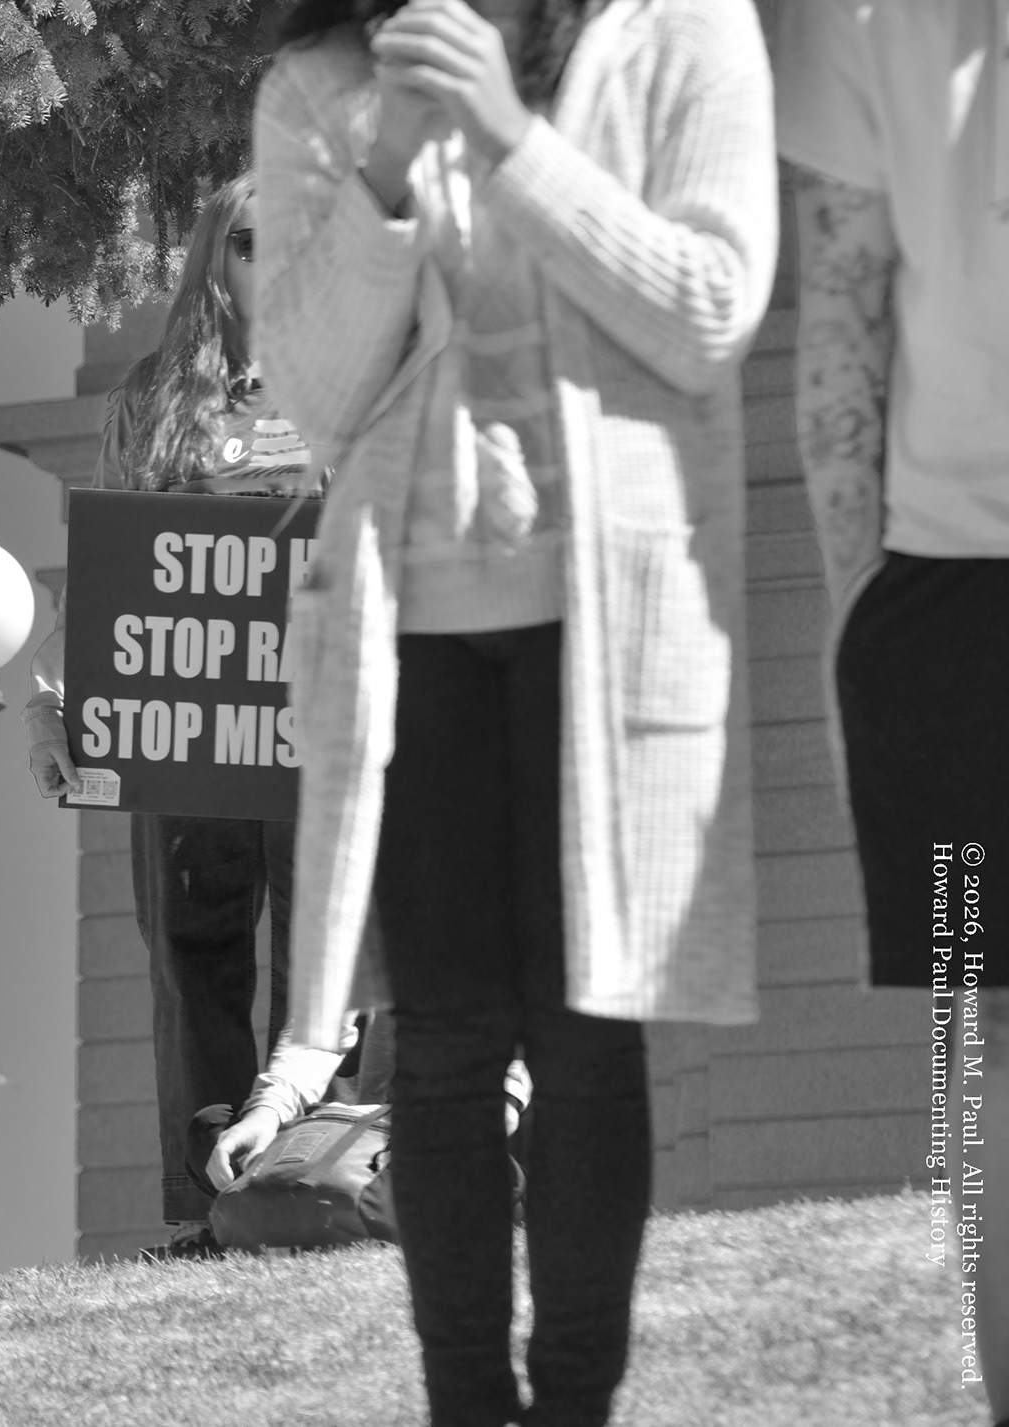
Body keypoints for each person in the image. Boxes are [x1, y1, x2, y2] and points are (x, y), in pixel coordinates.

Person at [253, 0, 775, 1421]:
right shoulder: (324, 87)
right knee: (445, 1037)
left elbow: (710, 309)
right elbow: (313, 392)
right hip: (407, 626)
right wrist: (388, 172)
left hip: (612, 620)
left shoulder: (690, 34)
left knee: (591, 1031)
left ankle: (579, 1404)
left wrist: (511, 138)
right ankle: (468, 1402)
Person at [23, 173, 328, 1256]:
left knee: (321, 963)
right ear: (214, 256)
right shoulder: (158, 396)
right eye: (252, 240)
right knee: (191, 961)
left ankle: (307, 1190)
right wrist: (57, 704)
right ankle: (205, 1208)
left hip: (321, 726)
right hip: (186, 727)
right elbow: (112, 573)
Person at [776, 3, 1009, 1416]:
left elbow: (841, 315)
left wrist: (857, 598)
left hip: (935, 604)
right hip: (934, 601)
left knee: (993, 1058)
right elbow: (847, 311)